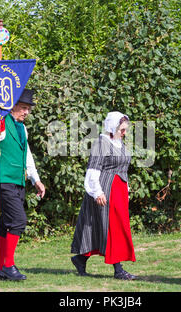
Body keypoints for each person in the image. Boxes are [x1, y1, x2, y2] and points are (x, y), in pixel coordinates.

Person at [0, 89, 46, 281]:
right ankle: (8, 265)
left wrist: (36, 179)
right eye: (24, 108)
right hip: (3, 178)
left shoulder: (22, 128)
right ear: (13, 106)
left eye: (28, 109)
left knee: (5, 224)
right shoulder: (0, 122)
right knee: (18, 221)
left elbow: (28, 155)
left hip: (18, 180)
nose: (27, 112)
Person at [70, 111, 137, 280]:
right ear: (112, 127)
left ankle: (80, 258)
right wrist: (97, 191)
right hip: (105, 189)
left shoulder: (120, 144)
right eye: (122, 129)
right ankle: (118, 269)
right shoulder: (101, 144)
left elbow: (123, 170)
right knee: (112, 228)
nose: (124, 133)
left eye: (125, 129)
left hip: (119, 190)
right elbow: (93, 169)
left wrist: (126, 189)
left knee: (105, 227)